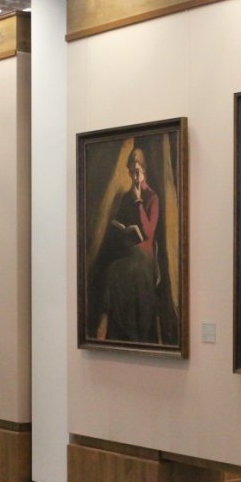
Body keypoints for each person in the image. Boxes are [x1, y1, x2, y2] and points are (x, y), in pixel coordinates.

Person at [96, 147, 161, 342]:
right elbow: (119, 226)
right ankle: (115, 331)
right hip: (127, 252)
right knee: (113, 270)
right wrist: (120, 231)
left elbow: (149, 233)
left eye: (137, 171)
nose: (134, 176)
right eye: (131, 171)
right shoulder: (125, 198)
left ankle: (137, 333)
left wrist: (139, 202)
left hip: (145, 256)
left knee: (135, 272)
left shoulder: (152, 198)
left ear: (144, 170)